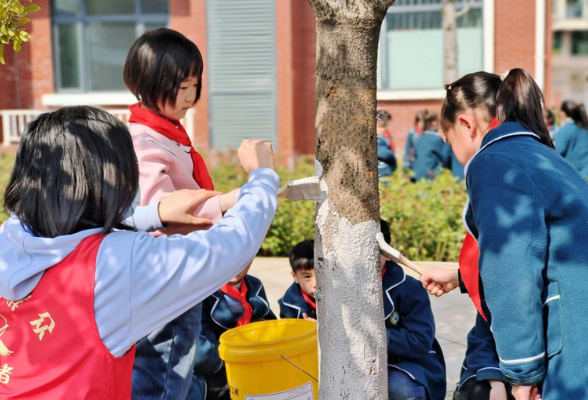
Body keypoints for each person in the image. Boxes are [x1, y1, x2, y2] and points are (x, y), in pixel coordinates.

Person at [0, 106, 279, 399]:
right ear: (107, 179)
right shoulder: (117, 264)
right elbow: (230, 247)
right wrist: (263, 177)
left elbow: (74, 236)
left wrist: (154, 215)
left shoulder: (10, 237)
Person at [420, 69, 588, 400]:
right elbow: (545, 251)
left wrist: (522, 372)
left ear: (466, 124)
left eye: (447, 136)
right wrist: (462, 277)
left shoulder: (495, 163)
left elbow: (513, 272)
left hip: (572, 339)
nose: (448, 146)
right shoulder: (536, 153)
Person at [123, 28, 244, 399]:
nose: (191, 98)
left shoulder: (166, 132)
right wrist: (228, 204)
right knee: (166, 373)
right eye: (183, 87)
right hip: (165, 276)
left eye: (195, 85)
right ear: (149, 82)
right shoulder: (144, 142)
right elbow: (164, 216)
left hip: (178, 273)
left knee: (181, 366)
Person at [191, 262, 276, 400]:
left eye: (242, 259)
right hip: (219, 368)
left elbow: (269, 323)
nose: (235, 265)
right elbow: (200, 346)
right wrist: (234, 359)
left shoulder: (254, 285)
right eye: (230, 259)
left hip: (254, 360)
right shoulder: (202, 291)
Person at [453, 313, 515, 400]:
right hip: (496, 366)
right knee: (478, 390)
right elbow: (481, 341)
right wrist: (496, 383)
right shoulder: (492, 303)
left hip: (531, 372)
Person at [278, 240, 317, 321]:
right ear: (295, 277)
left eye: (321, 276)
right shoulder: (288, 304)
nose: (315, 284)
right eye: (307, 277)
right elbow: (287, 330)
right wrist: (302, 327)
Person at [411, 112, 450, 181]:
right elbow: (445, 158)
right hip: (432, 177)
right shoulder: (437, 139)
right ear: (434, 123)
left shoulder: (419, 139)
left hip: (418, 177)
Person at [555, 100, 588, 179]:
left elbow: (558, 151)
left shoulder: (566, 129)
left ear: (563, 113)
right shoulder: (584, 128)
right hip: (585, 172)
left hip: (570, 174)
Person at [377, 110, 397, 181]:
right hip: (381, 172)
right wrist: (392, 156)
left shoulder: (386, 136)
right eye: (381, 127)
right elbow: (384, 153)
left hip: (386, 171)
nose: (384, 130)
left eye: (385, 127)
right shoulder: (377, 139)